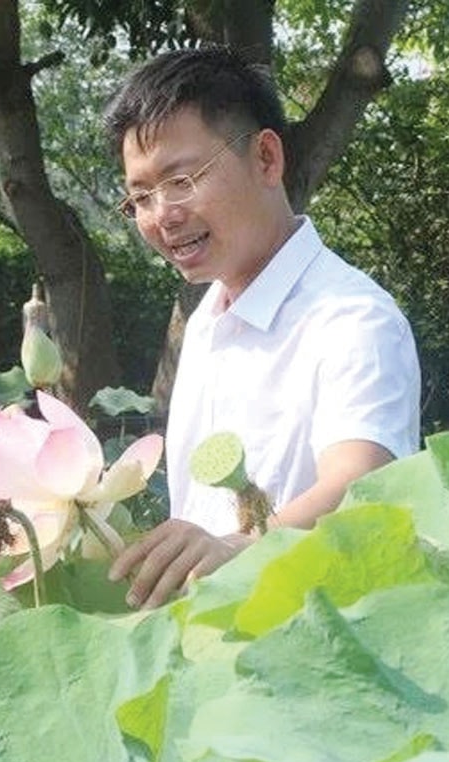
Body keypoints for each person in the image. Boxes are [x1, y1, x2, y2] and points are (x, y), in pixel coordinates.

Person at [103, 46, 421, 608]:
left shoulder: (352, 319)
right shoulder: (207, 318)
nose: (161, 215)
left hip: (307, 653)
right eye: (141, 197)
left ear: (267, 158)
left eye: (181, 180)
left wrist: (240, 548)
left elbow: (363, 489)